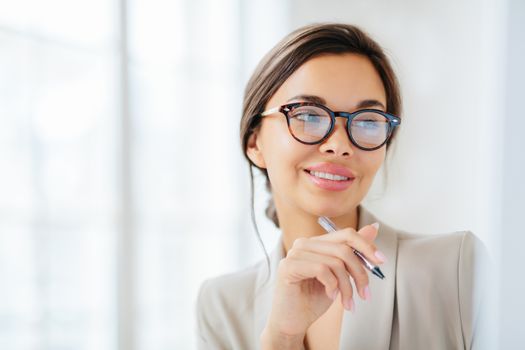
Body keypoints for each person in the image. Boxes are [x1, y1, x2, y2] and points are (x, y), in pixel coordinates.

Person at [195, 23, 489, 350]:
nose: (339, 145)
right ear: (255, 143)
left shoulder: (456, 269)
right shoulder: (222, 305)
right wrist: (281, 340)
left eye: (366, 121)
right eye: (307, 115)